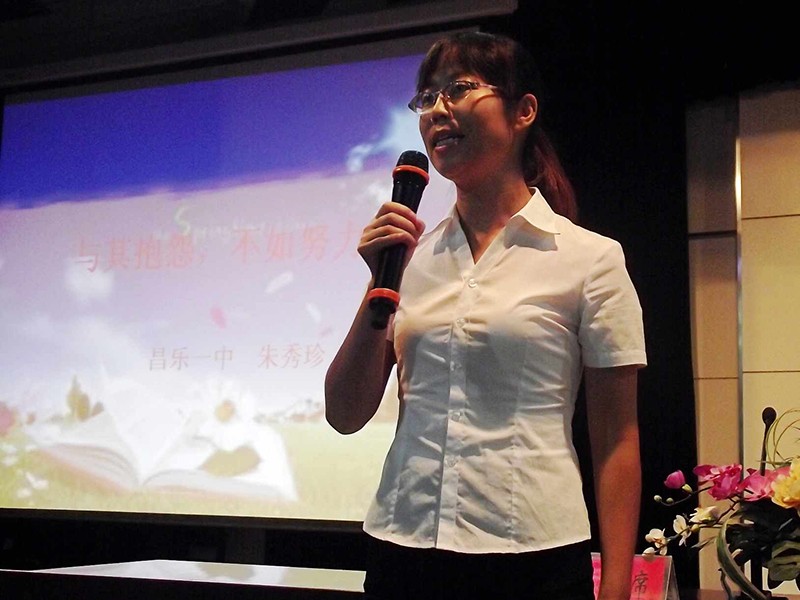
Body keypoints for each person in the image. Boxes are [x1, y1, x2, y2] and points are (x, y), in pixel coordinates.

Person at [325, 31, 646, 600]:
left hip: (534, 560)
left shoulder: (589, 259)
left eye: (458, 89)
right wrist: (379, 280)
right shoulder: (411, 258)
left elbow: (616, 439)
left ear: (523, 111)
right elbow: (345, 414)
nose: (437, 110)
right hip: (403, 551)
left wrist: (618, 586)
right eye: (426, 98)